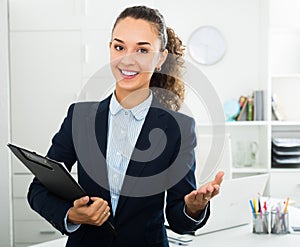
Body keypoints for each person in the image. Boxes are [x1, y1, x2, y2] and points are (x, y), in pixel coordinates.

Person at [27, 5, 224, 247]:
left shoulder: (179, 129)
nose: (127, 59)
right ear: (110, 49)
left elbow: (179, 219)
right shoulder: (79, 117)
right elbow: (38, 190)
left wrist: (193, 207)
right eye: (119, 47)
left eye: (142, 50)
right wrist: (72, 214)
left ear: (161, 57)